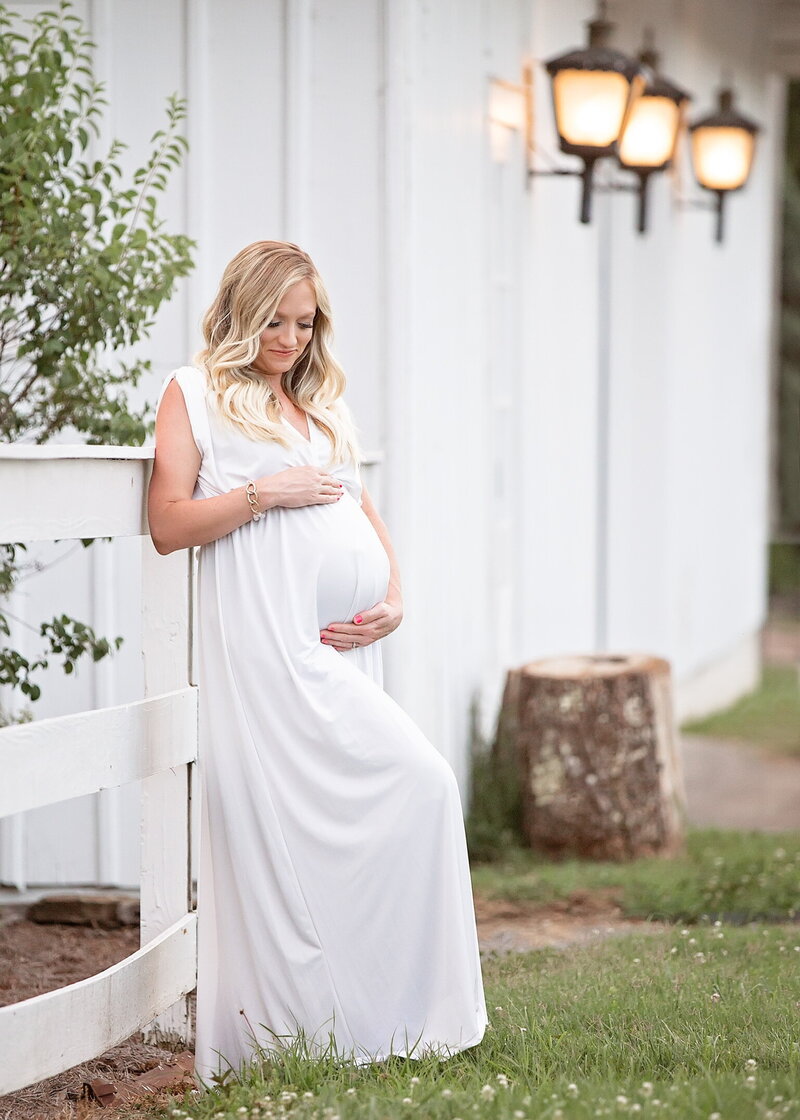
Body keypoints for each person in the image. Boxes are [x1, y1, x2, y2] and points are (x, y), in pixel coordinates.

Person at [147, 240, 488, 1089]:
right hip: (267, 663)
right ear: (241, 309)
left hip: (334, 656)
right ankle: (323, 1023)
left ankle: (397, 1016)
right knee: (390, 797)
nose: (291, 338)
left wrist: (396, 596)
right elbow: (168, 523)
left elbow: (365, 507)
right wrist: (267, 495)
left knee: (415, 793)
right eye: (276, 320)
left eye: (305, 324)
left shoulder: (320, 406)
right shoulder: (195, 393)